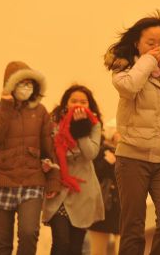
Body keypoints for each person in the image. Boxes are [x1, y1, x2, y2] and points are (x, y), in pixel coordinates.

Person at [104, 11, 160, 255]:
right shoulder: (122, 70)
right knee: (133, 226)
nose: (157, 48)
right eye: (150, 43)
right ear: (137, 44)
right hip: (132, 158)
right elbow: (131, 87)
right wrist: (149, 60)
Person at [0, 61, 60, 255]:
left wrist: (53, 180)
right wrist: (6, 107)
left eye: (29, 82)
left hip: (32, 182)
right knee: (1, 243)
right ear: (9, 84)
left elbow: (48, 149)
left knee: (29, 233)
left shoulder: (41, 111)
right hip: (2, 182)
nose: (26, 87)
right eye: (21, 82)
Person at [42, 84, 105, 255]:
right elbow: (48, 151)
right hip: (59, 188)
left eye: (83, 102)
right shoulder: (53, 123)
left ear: (89, 106)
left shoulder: (95, 125)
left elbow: (91, 153)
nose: (79, 105)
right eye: (74, 101)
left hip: (82, 192)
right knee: (61, 243)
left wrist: (80, 131)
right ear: (66, 104)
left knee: (75, 248)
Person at [88, 129, 121, 255]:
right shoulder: (100, 151)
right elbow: (93, 174)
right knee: (98, 250)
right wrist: (107, 161)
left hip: (121, 207)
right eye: (119, 132)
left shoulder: (128, 154)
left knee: (126, 247)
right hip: (102, 207)